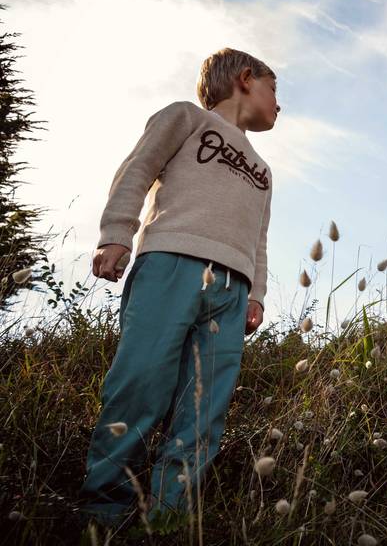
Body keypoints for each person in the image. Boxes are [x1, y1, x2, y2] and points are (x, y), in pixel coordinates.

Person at [80, 48, 278, 527]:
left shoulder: (263, 170)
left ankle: (168, 518)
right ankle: (105, 513)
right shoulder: (185, 118)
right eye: (275, 91)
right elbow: (138, 168)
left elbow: (259, 236)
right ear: (246, 80)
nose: (279, 104)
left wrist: (256, 293)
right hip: (170, 263)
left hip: (231, 290)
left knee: (204, 409)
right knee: (139, 386)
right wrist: (117, 233)